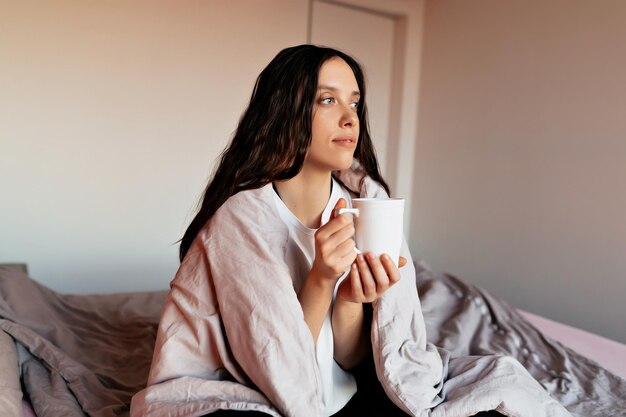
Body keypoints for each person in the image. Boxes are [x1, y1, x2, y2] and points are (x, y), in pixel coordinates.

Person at [131, 45, 571, 417]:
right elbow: (279, 370)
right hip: (274, 392)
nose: (349, 118)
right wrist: (322, 277)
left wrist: (350, 299)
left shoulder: (369, 204)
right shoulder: (241, 219)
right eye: (327, 100)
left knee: (494, 398)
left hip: (349, 396)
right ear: (286, 111)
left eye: (354, 102)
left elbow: (352, 359)